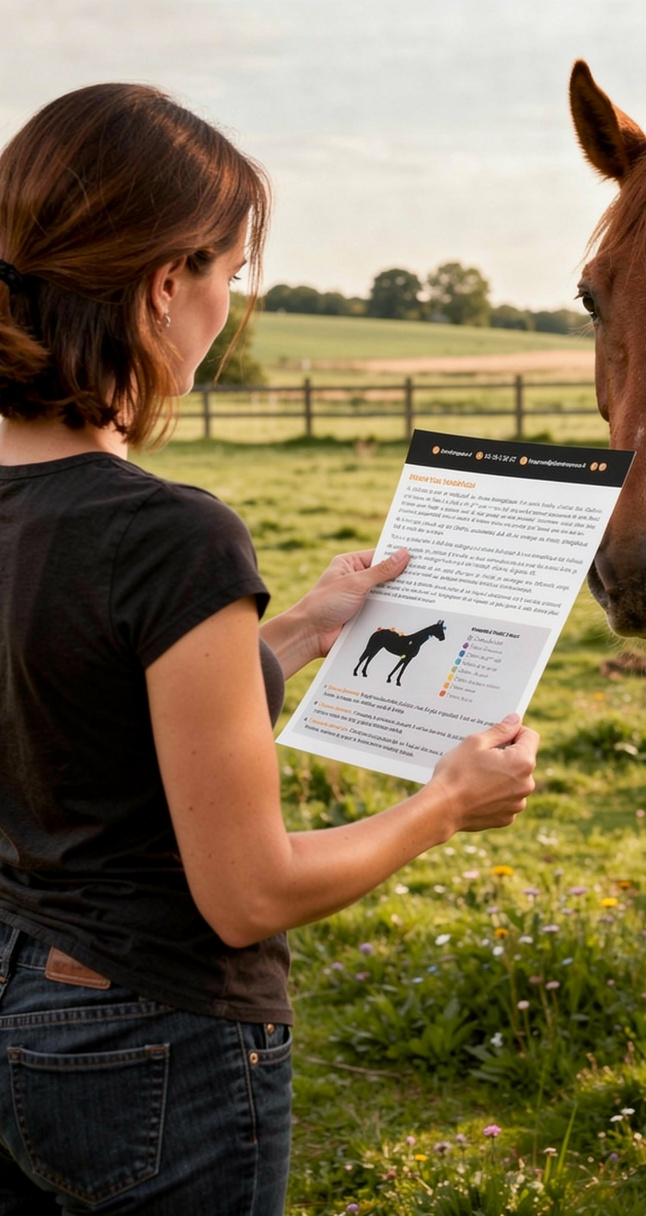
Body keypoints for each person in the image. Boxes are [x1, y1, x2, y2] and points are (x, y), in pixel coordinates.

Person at [0, 83, 539, 1214]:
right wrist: (447, 803)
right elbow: (249, 893)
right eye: (231, 276)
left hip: (20, 1005)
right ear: (165, 284)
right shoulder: (168, 535)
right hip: (154, 1040)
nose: (229, 307)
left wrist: (294, 627)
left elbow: (83, 697)